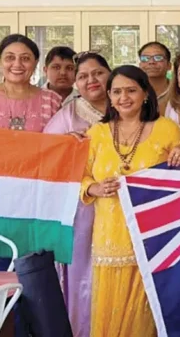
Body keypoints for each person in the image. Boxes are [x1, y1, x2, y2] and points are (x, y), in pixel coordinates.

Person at [81, 65, 180, 337]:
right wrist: (93, 188)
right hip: (109, 239)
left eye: (131, 90)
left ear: (145, 93)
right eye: (117, 91)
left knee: (144, 317)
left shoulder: (165, 128)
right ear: (109, 96)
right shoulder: (96, 133)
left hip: (151, 240)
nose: (124, 97)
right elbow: (78, 177)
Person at [43, 52, 111, 337]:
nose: (91, 80)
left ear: (110, 74)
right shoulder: (66, 117)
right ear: (76, 83)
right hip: (84, 209)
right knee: (85, 275)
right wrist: (64, 147)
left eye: (97, 73)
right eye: (82, 76)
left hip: (123, 208)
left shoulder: (128, 106)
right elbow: (44, 159)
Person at [0, 34, 62, 132]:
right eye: (10, 58)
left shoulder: (52, 101)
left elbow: (61, 142)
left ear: (35, 63)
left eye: (25, 58)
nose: (17, 64)